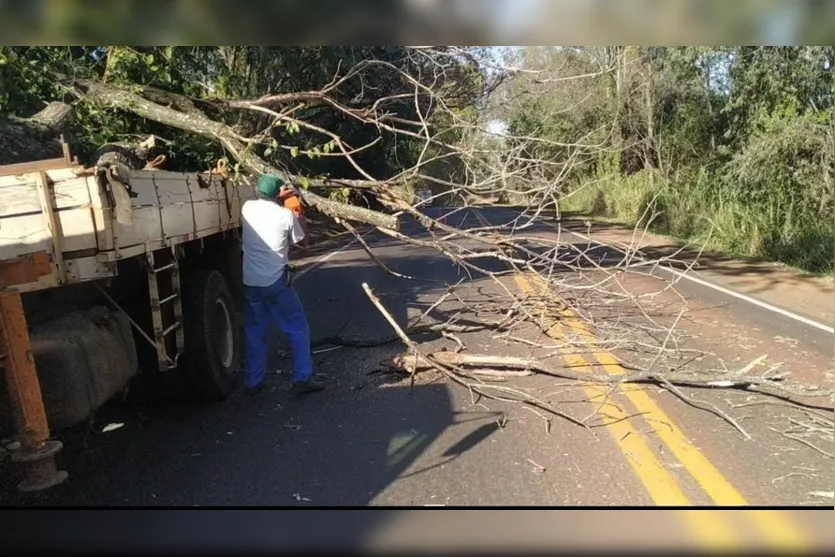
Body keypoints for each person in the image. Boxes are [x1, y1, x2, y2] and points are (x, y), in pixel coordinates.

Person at [240, 174, 324, 396]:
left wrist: (279, 196)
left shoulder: (247, 208)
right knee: (297, 328)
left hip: (251, 281)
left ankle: (254, 382)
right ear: (279, 193)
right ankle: (302, 378)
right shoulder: (285, 215)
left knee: (255, 332)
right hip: (275, 281)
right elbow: (303, 244)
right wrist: (297, 209)